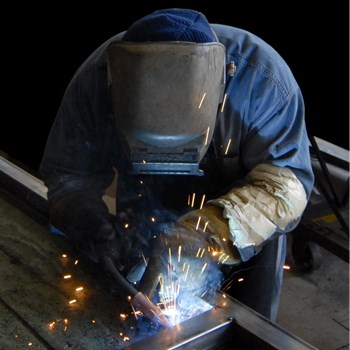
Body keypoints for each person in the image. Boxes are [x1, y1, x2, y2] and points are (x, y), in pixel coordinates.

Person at [39, 8, 314, 323]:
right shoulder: (96, 79)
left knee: (248, 327)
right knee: (134, 303)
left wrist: (206, 233)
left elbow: (285, 188)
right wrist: (88, 222)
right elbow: (69, 175)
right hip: (143, 196)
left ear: (221, 85)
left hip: (245, 219)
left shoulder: (263, 83)